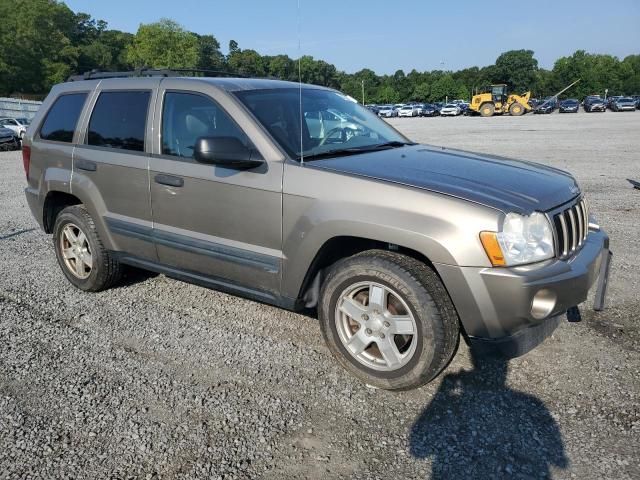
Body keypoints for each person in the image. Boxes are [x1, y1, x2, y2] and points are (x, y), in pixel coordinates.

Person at [409, 348, 568, 479]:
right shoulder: (530, 402)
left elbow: (419, 449)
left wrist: (442, 393)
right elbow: (558, 459)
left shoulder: (528, 402)